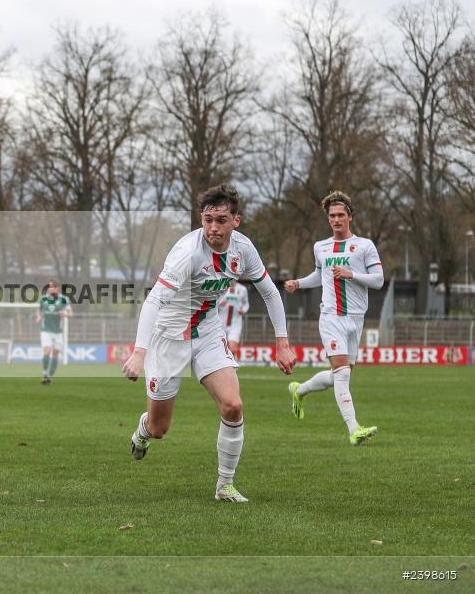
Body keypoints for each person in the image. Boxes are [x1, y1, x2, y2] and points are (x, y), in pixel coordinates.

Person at [122, 184, 296, 503]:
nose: (213, 227)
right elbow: (154, 301)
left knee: (233, 405)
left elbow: (270, 292)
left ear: (236, 221)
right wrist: (138, 353)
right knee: (160, 428)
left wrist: (282, 343)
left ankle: (224, 485)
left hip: (207, 333)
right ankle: (142, 432)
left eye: (221, 220)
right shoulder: (187, 253)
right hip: (168, 338)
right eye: (208, 220)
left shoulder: (243, 250)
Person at [284, 191, 382, 445]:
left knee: (342, 373)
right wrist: (299, 283)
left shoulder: (365, 246)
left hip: (356, 317)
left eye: (340, 215)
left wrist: (352, 274)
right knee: (342, 373)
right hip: (331, 317)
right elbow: (320, 276)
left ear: (350, 217)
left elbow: (379, 280)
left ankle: (300, 390)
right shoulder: (321, 247)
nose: (336, 219)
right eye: (332, 216)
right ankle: (354, 429)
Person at [35, 279, 72, 384]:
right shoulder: (43, 299)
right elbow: (40, 311)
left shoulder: (63, 299)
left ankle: (50, 376)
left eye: (53, 286)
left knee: (55, 354)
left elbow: (71, 313)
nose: (51, 288)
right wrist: (39, 317)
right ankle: (45, 373)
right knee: (47, 351)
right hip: (46, 330)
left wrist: (65, 314)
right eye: (49, 286)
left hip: (58, 331)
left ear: (57, 288)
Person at [218, 281, 249, 356]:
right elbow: (213, 303)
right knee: (220, 349)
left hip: (235, 323)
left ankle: (231, 366)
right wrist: (219, 303)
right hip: (221, 323)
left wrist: (244, 310)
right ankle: (222, 366)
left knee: (233, 349)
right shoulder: (220, 287)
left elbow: (246, 303)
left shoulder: (242, 289)